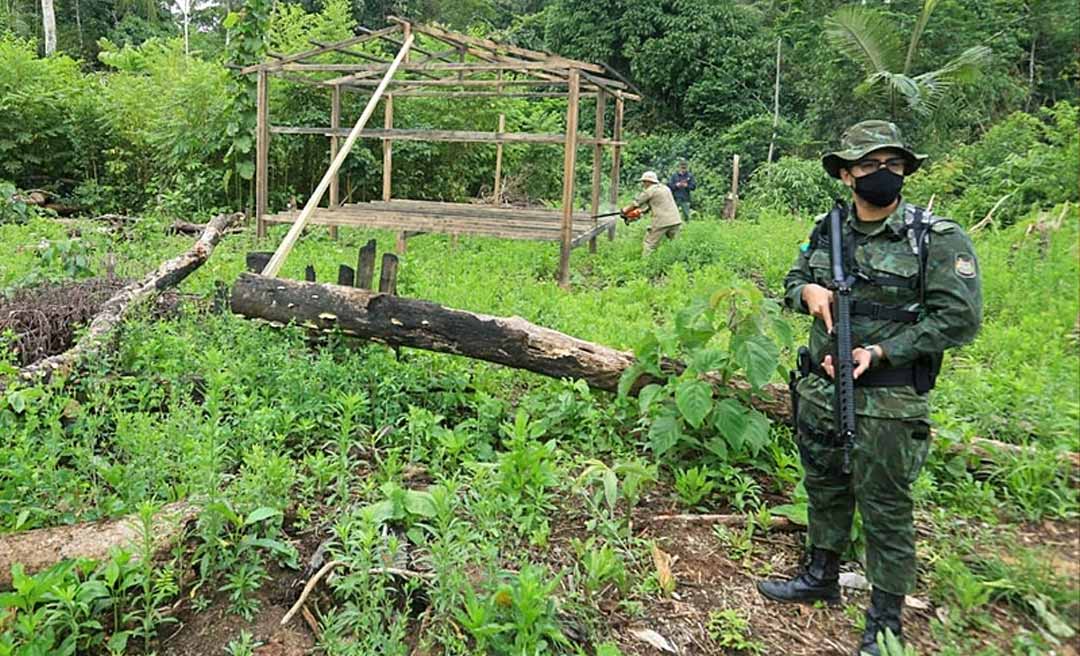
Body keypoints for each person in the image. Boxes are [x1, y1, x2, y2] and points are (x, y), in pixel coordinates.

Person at [756, 120, 982, 656]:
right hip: (821, 388)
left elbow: (959, 320)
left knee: (886, 505)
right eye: (869, 165)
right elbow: (791, 282)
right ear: (845, 174)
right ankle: (820, 575)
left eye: (893, 165)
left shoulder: (935, 237)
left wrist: (881, 352)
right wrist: (807, 291)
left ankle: (885, 619)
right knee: (826, 485)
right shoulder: (827, 228)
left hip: (889, 399)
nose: (882, 174)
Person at [621, 171, 683, 255]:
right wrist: (639, 212)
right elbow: (654, 204)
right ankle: (679, 260)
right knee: (676, 244)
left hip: (661, 221)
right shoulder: (665, 188)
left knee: (649, 244)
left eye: (643, 182)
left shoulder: (650, 190)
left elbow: (636, 203)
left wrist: (624, 210)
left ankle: (645, 264)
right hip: (675, 220)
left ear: (648, 181)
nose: (643, 184)